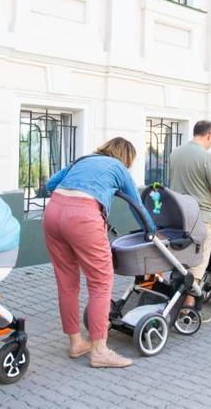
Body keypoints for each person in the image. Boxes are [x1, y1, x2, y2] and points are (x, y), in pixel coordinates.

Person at [43, 137, 155, 369]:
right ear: (127, 158)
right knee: (101, 282)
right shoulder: (118, 168)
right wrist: (152, 230)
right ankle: (100, 351)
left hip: (53, 213)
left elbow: (50, 185)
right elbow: (137, 205)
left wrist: (79, 187)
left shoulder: (83, 159)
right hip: (83, 217)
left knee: (67, 282)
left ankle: (75, 343)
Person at [168, 120, 211, 313]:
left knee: (181, 258)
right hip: (202, 218)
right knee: (198, 262)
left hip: (178, 216)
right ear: (209, 135)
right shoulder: (207, 157)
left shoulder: (175, 153)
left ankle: (175, 295)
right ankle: (188, 307)